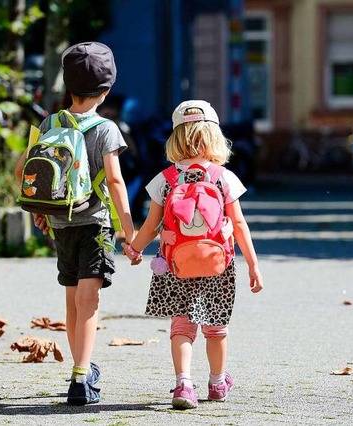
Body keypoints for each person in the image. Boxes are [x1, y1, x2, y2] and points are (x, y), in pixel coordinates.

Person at [121, 100, 264, 410]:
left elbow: (150, 225)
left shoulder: (166, 179)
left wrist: (133, 249)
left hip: (175, 264)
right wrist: (253, 265)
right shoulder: (223, 178)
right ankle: (217, 382)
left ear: (175, 139)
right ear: (214, 137)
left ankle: (184, 384)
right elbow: (239, 224)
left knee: (182, 328)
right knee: (216, 328)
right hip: (218, 264)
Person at [15, 41, 135, 406]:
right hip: (95, 224)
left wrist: (40, 206)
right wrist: (130, 232)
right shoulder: (106, 129)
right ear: (107, 90)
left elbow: (22, 170)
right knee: (89, 299)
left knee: (72, 299)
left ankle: (78, 367)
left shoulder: (50, 123)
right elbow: (115, 182)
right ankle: (82, 378)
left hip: (60, 226)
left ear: (67, 87)